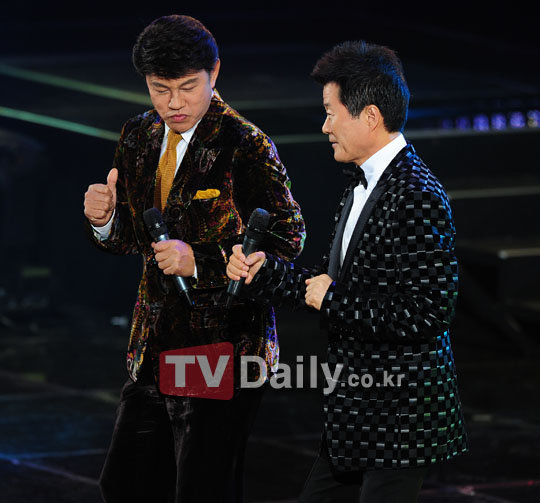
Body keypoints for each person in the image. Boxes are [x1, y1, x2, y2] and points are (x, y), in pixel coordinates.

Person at [227, 40, 468, 502]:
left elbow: (428, 312)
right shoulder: (362, 185)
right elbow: (325, 283)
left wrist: (333, 299)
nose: (325, 127)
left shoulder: (416, 194)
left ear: (370, 116)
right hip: (356, 416)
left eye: (331, 113)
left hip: (401, 418)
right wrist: (264, 271)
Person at [83, 14, 305, 503]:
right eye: (160, 89)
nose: (174, 103)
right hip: (153, 342)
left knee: (202, 490)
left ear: (214, 73)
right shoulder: (139, 135)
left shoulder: (244, 145)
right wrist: (104, 220)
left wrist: (201, 260)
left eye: (187, 87)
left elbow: (287, 238)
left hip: (221, 343)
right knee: (126, 484)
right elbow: (132, 239)